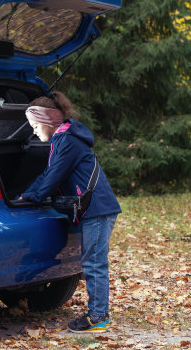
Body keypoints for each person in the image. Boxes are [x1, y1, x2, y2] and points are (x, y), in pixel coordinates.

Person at [19, 91, 121, 333]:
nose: (33, 131)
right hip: (95, 208)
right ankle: (98, 313)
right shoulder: (64, 138)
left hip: (98, 209)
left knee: (94, 263)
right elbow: (49, 174)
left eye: (34, 126)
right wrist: (27, 194)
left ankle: (97, 317)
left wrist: (32, 196)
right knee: (93, 262)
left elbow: (54, 176)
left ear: (46, 121)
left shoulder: (68, 141)